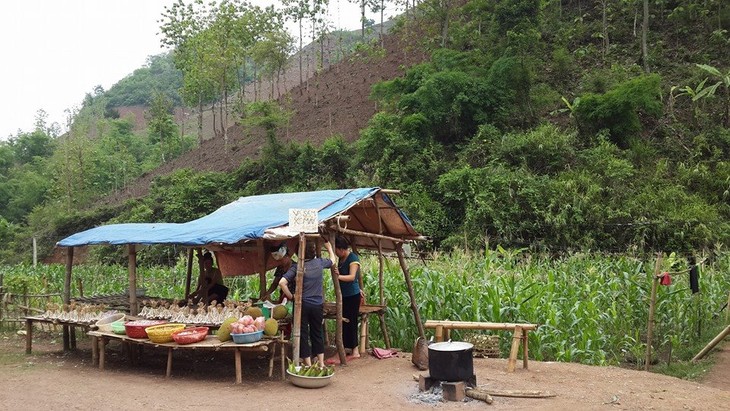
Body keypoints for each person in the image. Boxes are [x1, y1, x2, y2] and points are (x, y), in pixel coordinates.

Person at [279, 239, 335, 367]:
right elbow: (333, 261)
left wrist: (291, 296)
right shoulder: (319, 263)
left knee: (303, 334)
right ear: (314, 252)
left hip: (302, 305)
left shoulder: (297, 266)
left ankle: (308, 364)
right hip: (317, 305)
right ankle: (321, 363)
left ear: (299, 253)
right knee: (317, 333)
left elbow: (282, 282)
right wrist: (329, 247)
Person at [333, 236, 363, 359]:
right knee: (344, 322)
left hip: (352, 295)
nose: (335, 253)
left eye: (336, 250)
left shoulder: (353, 259)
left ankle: (355, 350)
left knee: (352, 322)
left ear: (342, 249)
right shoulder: (341, 259)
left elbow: (351, 277)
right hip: (344, 296)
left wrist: (338, 277)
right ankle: (345, 347)